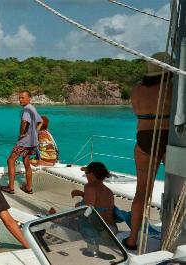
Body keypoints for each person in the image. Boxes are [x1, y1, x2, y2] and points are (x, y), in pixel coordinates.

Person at [123, 52, 173, 250]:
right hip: (171, 137)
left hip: (145, 137)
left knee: (142, 191)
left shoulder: (137, 89)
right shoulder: (174, 87)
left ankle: (133, 238)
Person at [49, 162, 117, 233]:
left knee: (76, 211)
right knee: (78, 207)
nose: (85, 174)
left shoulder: (89, 187)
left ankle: (56, 219)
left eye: (86, 172)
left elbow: (86, 211)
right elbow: (99, 202)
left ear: (92, 174)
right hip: (111, 228)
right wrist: (82, 194)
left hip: (99, 230)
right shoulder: (109, 191)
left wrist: (66, 218)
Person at [1, 91, 42, 194]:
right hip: (33, 141)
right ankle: (28, 188)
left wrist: (21, 134)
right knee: (26, 162)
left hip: (25, 141)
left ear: (29, 98)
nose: (20, 100)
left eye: (23, 98)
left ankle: (10, 187)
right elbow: (41, 121)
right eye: (19, 98)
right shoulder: (32, 108)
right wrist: (35, 133)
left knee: (10, 160)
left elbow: (24, 122)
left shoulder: (27, 109)